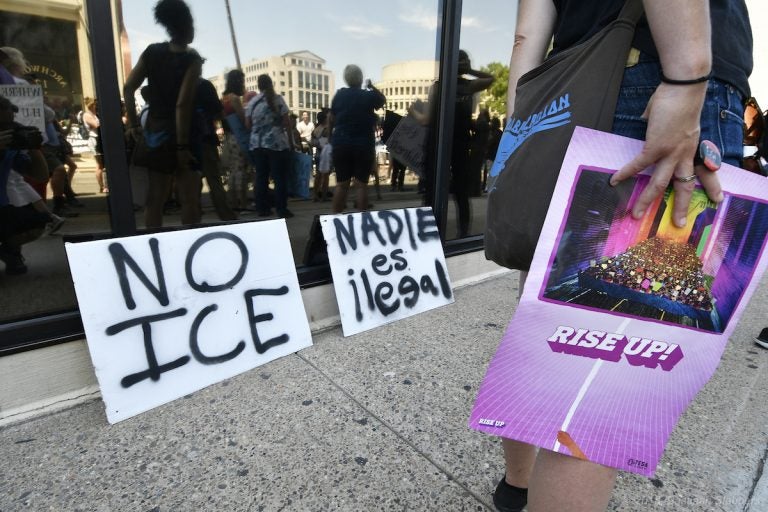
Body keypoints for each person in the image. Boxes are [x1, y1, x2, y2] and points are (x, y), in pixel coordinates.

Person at [491, 2, 752, 512]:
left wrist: (522, 128)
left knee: (543, 320)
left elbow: (527, 38)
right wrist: (687, 77)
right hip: (659, 80)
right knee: (599, 384)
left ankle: (516, 485)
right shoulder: (681, 72)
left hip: (569, 93)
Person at [123, 0, 203, 228]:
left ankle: (154, 246)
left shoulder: (152, 52)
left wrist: (133, 124)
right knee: (189, 200)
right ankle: (189, 248)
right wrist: (182, 147)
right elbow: (182, 104)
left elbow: (129, 88)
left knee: (155, 199)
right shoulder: (191, 59)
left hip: (156, 132)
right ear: (187, 25)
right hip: (184, 132)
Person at [0, 95, 50, 275]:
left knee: (39, 220)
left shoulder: (10, 146)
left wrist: (33, 146)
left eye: (10, 125)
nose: (8, 131)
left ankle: (8, 250)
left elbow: (40, 175)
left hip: (3, 205)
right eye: (3, 127)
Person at [329, 64, 385, 213]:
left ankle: (335, 220)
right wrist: (372, 87)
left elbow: (331, 118)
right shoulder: (368, 96)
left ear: (346, 79)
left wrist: (331, 139)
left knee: (341, 184)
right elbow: (382, 100)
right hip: (363, 144)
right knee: (361, 185)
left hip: (341, 143)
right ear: (360, 78)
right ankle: (362, 223)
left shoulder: (339, 95)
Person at [245, 73, 295, 218]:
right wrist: (291, 143)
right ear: (271, 84)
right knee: (280, 178)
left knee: (261, 177)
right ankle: (281, 209)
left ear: (259, 86)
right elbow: (287, 123)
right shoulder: (278, 99)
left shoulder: (252, 102)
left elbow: (248, 125)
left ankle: (262, 208)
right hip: (276, 144)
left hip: (257, 145)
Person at [220, 69, 253, 211]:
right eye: (242, 80)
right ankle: (243, 203)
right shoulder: (234, 99)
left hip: (229, 138)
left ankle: (232, 202)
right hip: (239, 138)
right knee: (241, 171)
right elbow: (243, 119)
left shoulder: (224, 99)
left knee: (233, 172)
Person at [81, 98, 107, 194]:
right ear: (91, 105)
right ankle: (102, 186)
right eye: (96, 105)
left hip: (99, 139)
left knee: (103, 165)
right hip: (94, 140)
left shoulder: (95, 115)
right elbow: (96, 125)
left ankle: (105, 185)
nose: (97, 106)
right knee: (100, 165)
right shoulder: (87, 115)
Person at [311, 109, 331, 202]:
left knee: (318, 175)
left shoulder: (316, 129)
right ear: (325, 119)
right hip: (326, 154)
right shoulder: (328, 129)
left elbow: (313, 143)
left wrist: (318, 145)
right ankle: (324, 196)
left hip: (318, 153)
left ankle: (315, 195)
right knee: (326, 175)